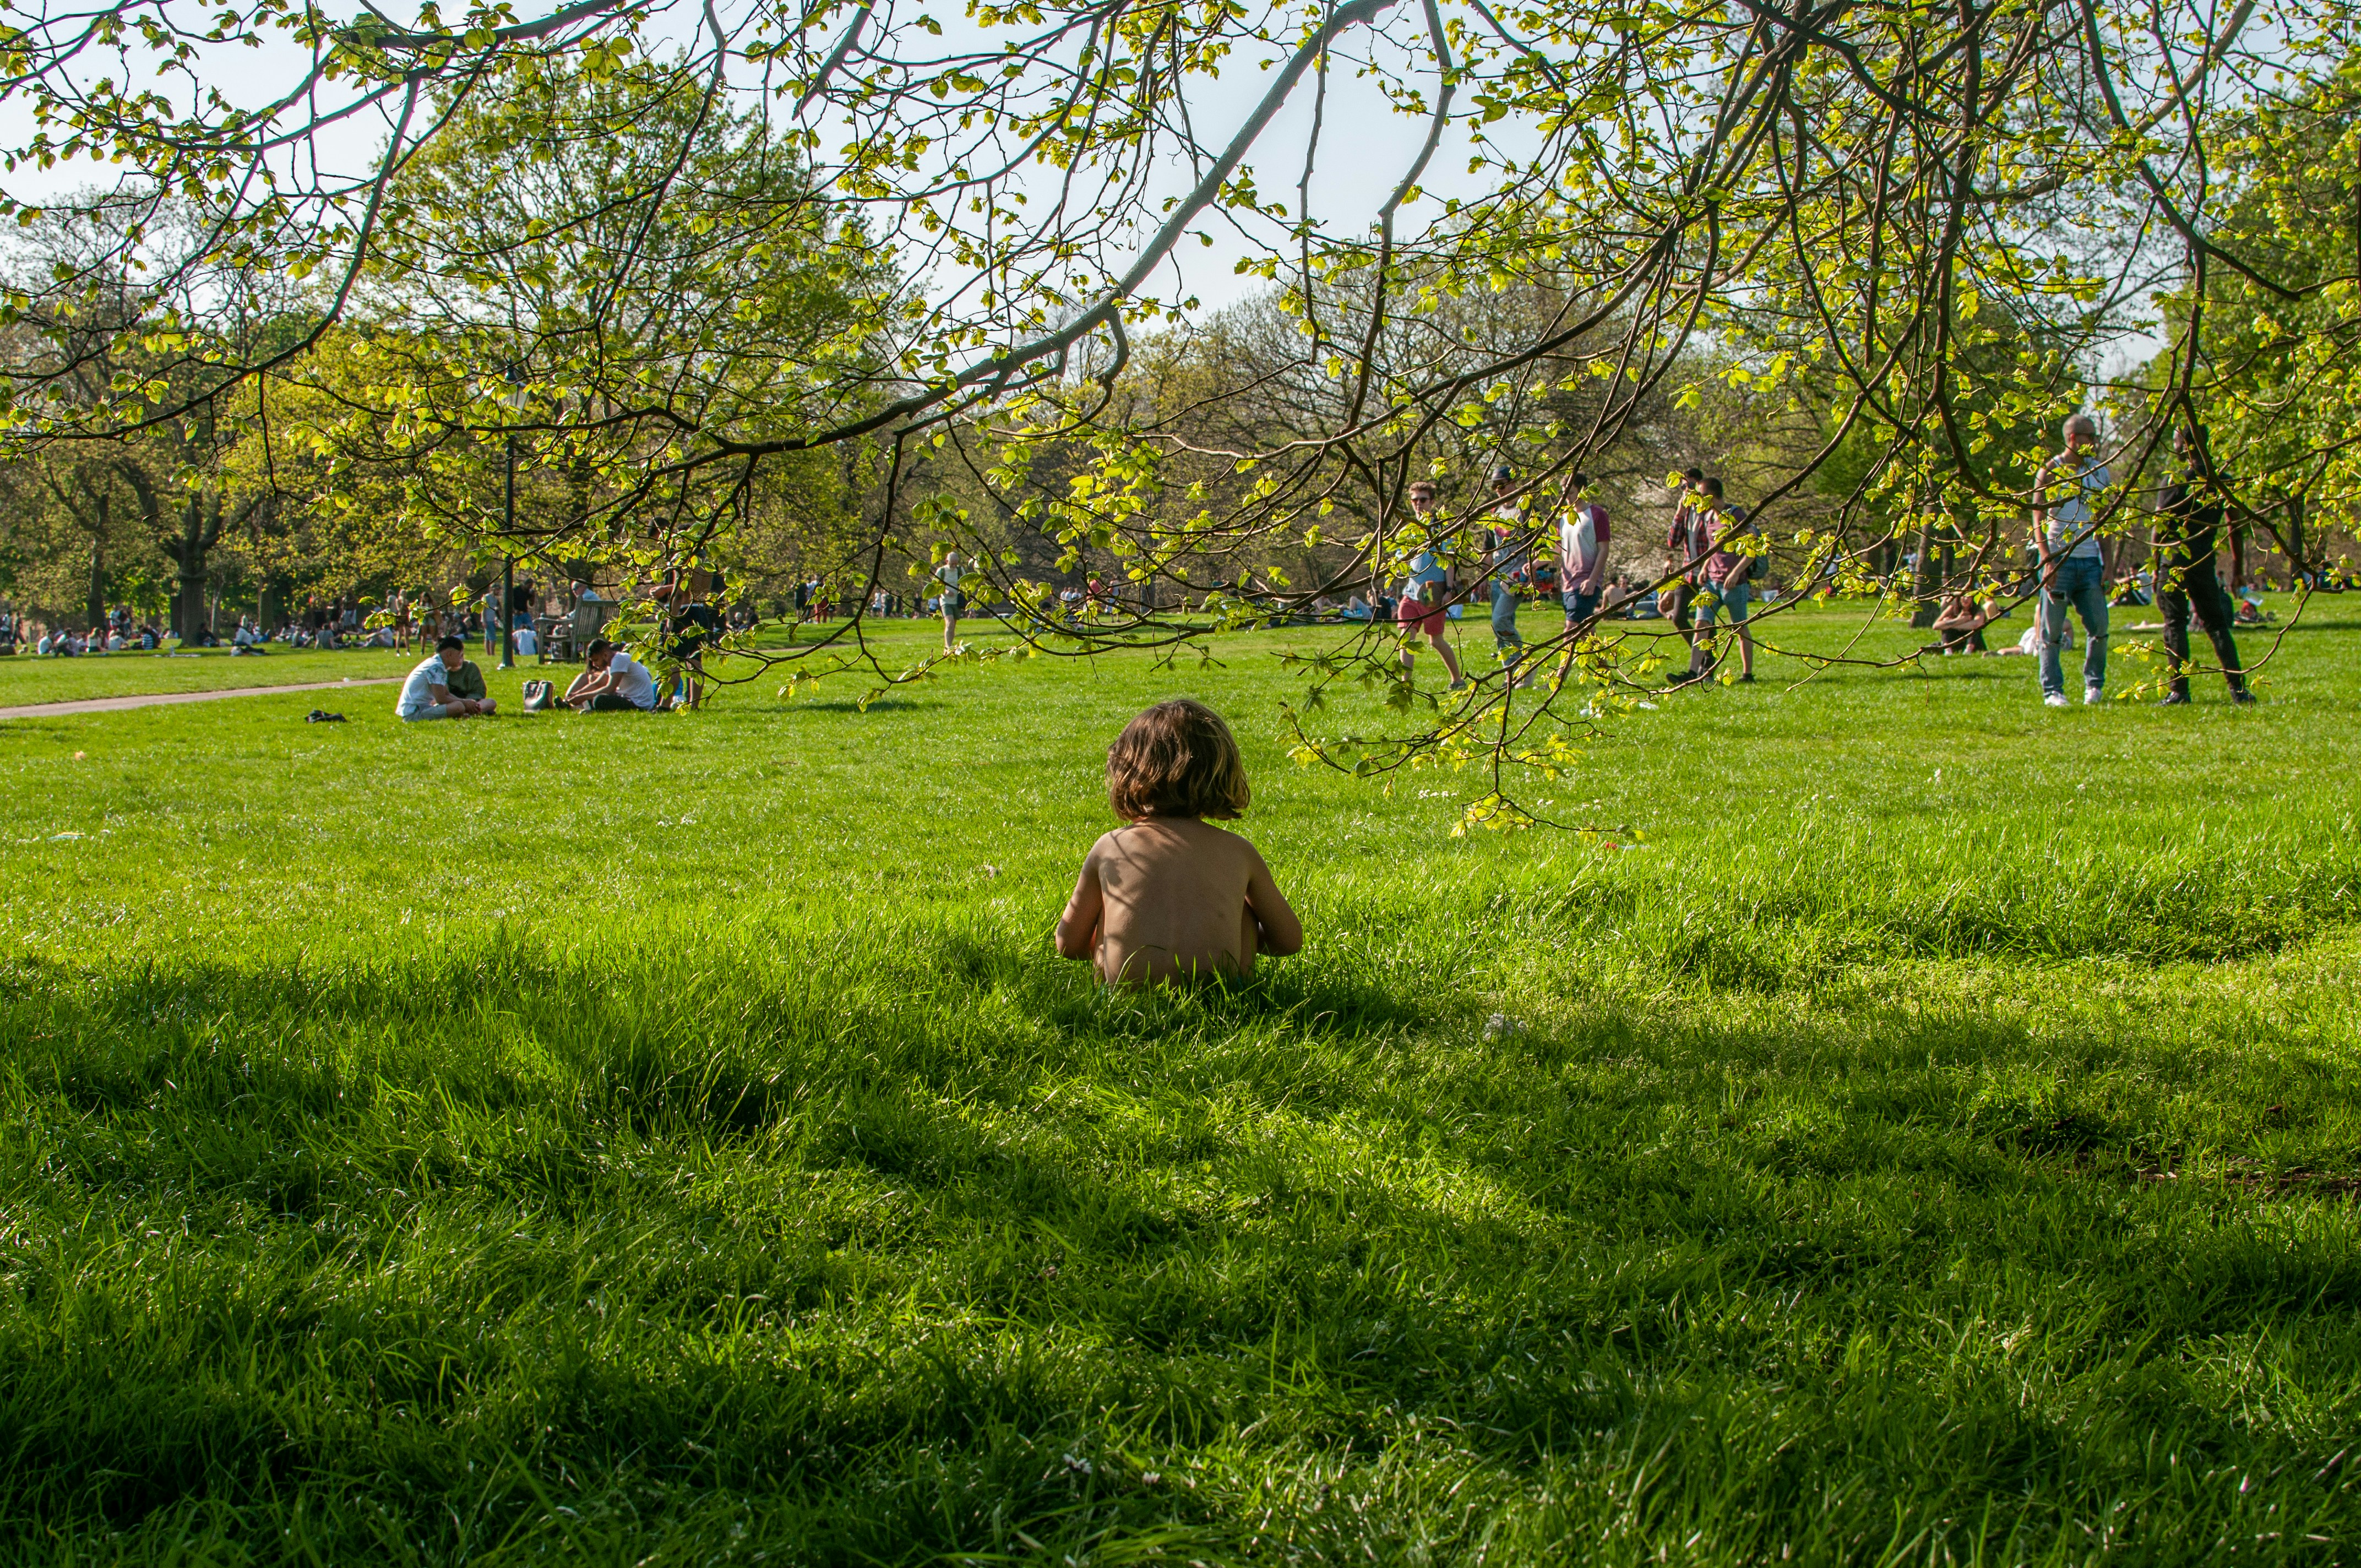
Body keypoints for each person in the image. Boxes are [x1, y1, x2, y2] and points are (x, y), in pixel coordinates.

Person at [1054, 699, 1303, 986]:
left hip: (1124, 999)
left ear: (1127, 774)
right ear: (1220, 774)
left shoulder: (1111, 847)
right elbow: (1288, 941)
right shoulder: (1238, 851)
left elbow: (1069, 945)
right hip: (1223, 999)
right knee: (1245, 911)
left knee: (1106, 906)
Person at [2153, 423, 2253, 705]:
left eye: (2174, 440)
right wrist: (2238, 569)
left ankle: (2179, 692)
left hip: (2174, 563)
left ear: (2186, 445)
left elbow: (2158, 525)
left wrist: (2155, 561)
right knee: (2217, 625)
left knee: (2175, 624)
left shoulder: (2175, 481)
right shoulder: (2222, 481)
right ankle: (2238, 689)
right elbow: (2235, 527)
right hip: (2204, 563)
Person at [2032, 412, 2112, 706]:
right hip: (2059, 560)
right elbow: (2037, 520)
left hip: (2090, 561)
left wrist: (2109, 565)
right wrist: (2047, 560)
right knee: (2051, 633)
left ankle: (2094, 685)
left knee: (2100, 629)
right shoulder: (2051, 470)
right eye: (2088, 437)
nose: (2093, 442)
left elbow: (2104, 521)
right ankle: (2053, 691)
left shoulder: (2099, 472)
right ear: (2072, 439)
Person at [1395, 480, 1467, 690]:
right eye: (1415, 500)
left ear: (1432, 502)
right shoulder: (1407, 530)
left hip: (1434, 593)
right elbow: (1401, 560)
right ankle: (1405, 685)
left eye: (1423, 500)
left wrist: (1449, 591)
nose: (1418, 504)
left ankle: (1457, 679)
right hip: (1411, 593)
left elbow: (1450, 561)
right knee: (1406, 637)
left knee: (1436, 641)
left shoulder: (1443, 529)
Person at [1689, 478, 1759, 682]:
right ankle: (1693, 673)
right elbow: (1714, 548)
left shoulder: (1735, 515)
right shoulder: (1708, 517)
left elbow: (1753, 548)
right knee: (1701, 624)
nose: (1698, 500)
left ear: (1712, 495)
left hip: (1735, 584)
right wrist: (1704, 568)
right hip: (1712, 582)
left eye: (1701, 495)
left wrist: (1736, 572)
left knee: (1740, 627)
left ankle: (1748, 674)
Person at [1552, 471, 1613, 681]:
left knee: (1571, 629)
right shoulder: (1563, 519)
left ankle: (1558, 679)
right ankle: (1606, 675)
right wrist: (1534, 564)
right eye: (1563, 492)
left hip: (1587, 582)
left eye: (1571, 492)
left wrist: (1593, 579)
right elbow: (1558, 550)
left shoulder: (1597, 515)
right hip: (1567, 583)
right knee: (1587, 630)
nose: (1566, 497)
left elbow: (1604, 550)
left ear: (1582, 490)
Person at [1476, 465, 1533, 683]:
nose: (1498, 490)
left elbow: (1537, 543)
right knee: (1499, 626)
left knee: (1500, 619)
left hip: (1518, 576)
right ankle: (1511, 675)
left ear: (1513, 483)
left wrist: (1532, 571)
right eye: (1494, 486)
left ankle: (1525, 666)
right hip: (1497, 577)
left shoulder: (1526, 508)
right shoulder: (1494, 513)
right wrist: (1482, 577)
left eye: (1502, 485)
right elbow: (1489, 549)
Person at [398, 635, 498, 721]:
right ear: (449, 654)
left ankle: (467, 713)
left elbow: (446, 694)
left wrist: (466, 703)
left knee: (490, 702)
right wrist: (465, 703)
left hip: (424, 709)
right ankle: (467, 713)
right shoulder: (436, 666)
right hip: (415, 713)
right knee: (458, 707)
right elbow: (441, 699)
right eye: (459, 655)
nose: (461, 659)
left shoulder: (438, 665)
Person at [563, 638, 658, 711]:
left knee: (599, 700)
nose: (594, 665)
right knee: (596, 698)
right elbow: (597, 684)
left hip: (639, 704)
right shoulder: (611, 662)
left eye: (596, 660)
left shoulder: (619, 659)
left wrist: (583, 697)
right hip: (628, 699)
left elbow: (610, 688)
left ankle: (583, 706)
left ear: (605, 655)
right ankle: (569, 704)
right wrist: (577, 694)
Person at [935, 551, 967, 651]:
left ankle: (950, 645)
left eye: (955, 563)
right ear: (946, 561)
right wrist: (945, 591)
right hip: (945, 601)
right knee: (949, 623)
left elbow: (966, 582)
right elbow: (935, 584)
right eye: (952, 563)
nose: (954, 565)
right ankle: (947, 647)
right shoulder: (942, 571)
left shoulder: (960, 570)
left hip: (957, 601)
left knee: (953, 625)